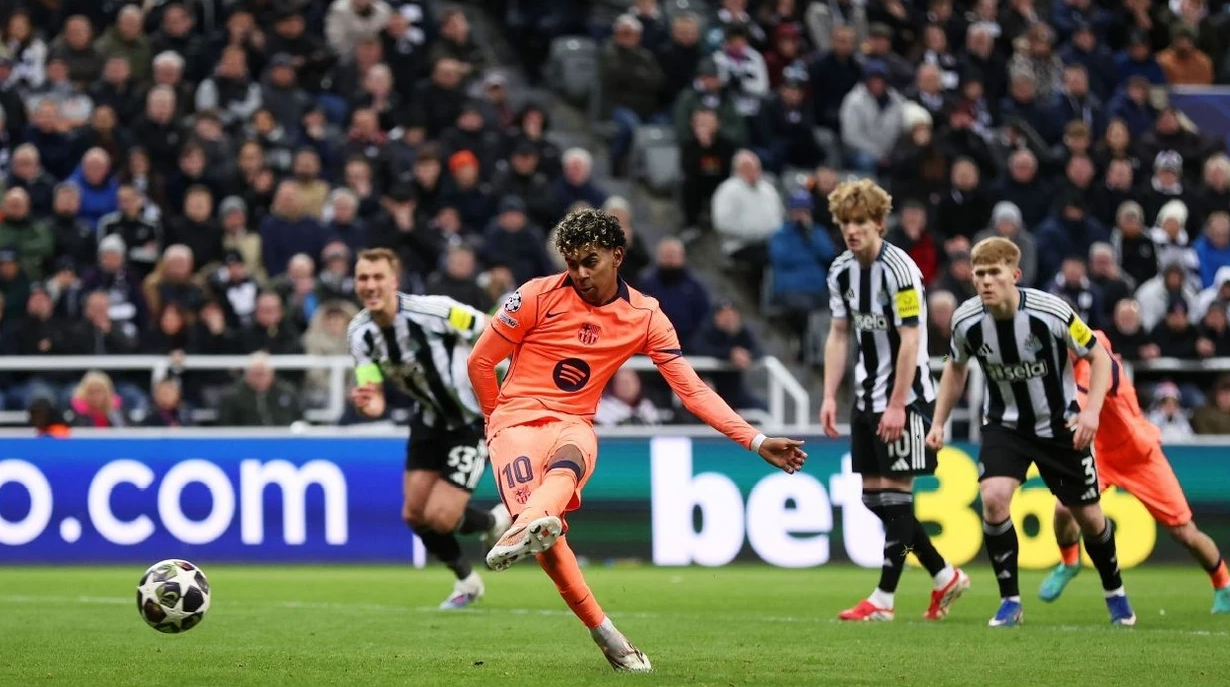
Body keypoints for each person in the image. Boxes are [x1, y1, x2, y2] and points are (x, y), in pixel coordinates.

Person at [466, 208, 807, 672]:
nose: (580, 273)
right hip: (515, 423)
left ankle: (525, 521)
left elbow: (692, 390)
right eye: (572, 263)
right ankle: (606, 633)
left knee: (572, 460)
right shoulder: (533, 296)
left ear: (617, 256)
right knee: (550, 543)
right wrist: (496, 423)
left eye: (590, 261)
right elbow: (480, 362)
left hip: (573, 423)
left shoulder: (645, 316)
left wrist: (755, 438)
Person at [927, 237, 1136, 627]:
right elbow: (955, 369)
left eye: (994, 273)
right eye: (979, 274)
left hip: (1060, 427)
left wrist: (1091, 413)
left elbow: (1098, 356)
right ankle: (1010, 601)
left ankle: (1115, 592)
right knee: (993, 499)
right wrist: (938, 421)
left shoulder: (1050, 311)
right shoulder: (965, 320)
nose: (985, 281)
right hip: (1005, 426)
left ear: (1015, 275)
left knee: (1090, 520)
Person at [818, 179, 970, 622]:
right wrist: (828, 395)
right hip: (866, 396)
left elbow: (910, 339)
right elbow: (839, 334)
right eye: (846, 223)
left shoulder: (901, 270)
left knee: (897, 499)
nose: (852, 230)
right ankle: (942, 575)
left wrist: (899, 403)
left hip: (907, 396)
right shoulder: (840, 271)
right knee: (875, 499)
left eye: (860, 222)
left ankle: (885, 598)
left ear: (879, 224)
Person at [347, 248, 512, 610]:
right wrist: (367, 402)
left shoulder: (435, 311)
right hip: (428, 420)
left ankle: (495, 521)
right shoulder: (360, 334)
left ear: (394, 280)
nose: (370, 285)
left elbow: (493, 327)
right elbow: (373, 396)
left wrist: (502, 376)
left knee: (441, 516)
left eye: (377, 277)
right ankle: (467, 581)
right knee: (414, 515)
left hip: (471, 420)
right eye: (363, 278)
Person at [1038, 331, 1230, 614]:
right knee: (1064, 508)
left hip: (1140, 456)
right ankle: (1069, 562)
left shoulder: (1095, 358)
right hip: (1102, 456)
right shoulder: (1069, 354)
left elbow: (1077, 405)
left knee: (1184, 533)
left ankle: (1223, 583)